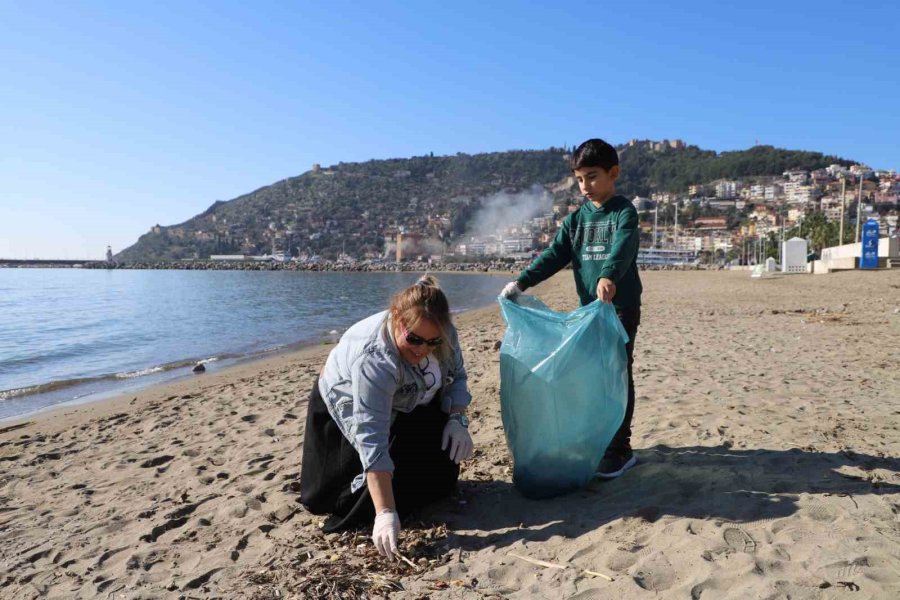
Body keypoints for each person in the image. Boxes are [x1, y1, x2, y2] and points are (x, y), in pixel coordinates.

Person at [300, 275, 474, 559]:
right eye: (414, 339)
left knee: (441, 478)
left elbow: (457, 378)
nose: (423, 350)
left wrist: (458, 420)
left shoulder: (444, 333)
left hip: (414, 398)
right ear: (397, 319)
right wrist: (386, 512)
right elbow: (372, 439)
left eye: (433, 342)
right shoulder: (376, 360)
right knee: (342, 500)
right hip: (349, 398)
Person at [501, 138, 642, 479]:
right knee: (593, 374)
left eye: (592, 177)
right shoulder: (576, 220)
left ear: (614, 173)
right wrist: (521, 283)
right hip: (589, 311)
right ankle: (599, 436)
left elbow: (622, 248)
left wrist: (608, 275)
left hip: (620, 308)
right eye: (579, 179)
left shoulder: (624, 212)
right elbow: (554, 255)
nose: (585, 187)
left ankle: (620, 448)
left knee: (617, 370)